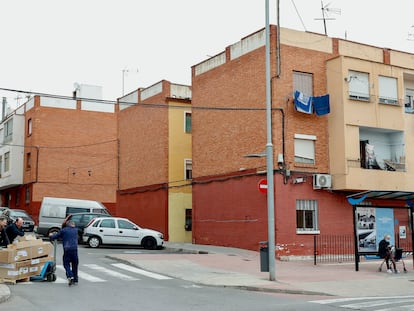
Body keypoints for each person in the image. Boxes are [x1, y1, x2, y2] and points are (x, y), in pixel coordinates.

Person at [49, 220, 79, 286]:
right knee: (75, 264)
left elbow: (56, 236)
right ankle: (75, 280)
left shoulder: (64, 230)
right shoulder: (76, 230)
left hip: (67, 249)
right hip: (74, 249)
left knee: (66, 264)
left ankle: (70, 276)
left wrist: (51, 236)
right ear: (72, 225)